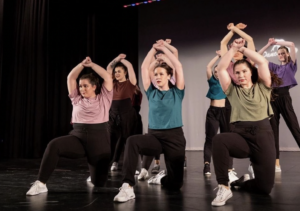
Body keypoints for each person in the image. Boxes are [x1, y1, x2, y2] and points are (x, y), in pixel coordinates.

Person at [26, 57, 113, 195]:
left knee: (99, 184)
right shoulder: (76, 98)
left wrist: (92, 65)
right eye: (80, 86)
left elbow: (107, 77)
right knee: (54, 145)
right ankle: (41, 183)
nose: (82, 89)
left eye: (85, 86)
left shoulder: (104, 98)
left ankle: (95, 175)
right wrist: (81, 65)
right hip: (78, 137)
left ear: (94, 87)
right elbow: (71, 78)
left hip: (99, 141)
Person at [113, 40, 186, 202]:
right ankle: (127, 186)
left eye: (161, 74)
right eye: (156, 74)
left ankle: (161, 178)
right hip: (155, 136)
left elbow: (178, 67)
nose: (157, 77)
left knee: (175, 184)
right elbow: (144, 68)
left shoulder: (177, 92)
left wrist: (165, 50)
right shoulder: (151, 91)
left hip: (174, 137)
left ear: (169, 76)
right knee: (132, 141)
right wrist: (153, 49)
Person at [211, 38, 279, 206]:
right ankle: (224, 187)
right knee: (219, 139)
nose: (240, 75)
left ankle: (240, 183)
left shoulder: (263, 86)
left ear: (251, 72)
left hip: (263, 136)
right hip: (241, 135)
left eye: (244, 72)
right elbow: (220, 68)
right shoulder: (232, 90)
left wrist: (243, 48)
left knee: (265, 188)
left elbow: (261, 61)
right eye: (237, 72)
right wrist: (233, 48)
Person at [258, 38, 299, 172]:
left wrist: (279, 44)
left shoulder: (291, 66)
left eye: (283, 53)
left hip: (284, 98)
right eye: (279, 54)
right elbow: (259, 57)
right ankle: (276, 164)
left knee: (294, 128)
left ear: (287, 55)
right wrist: (269, 44)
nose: (281, 55)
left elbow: (292, 44)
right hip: (272, 99)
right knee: (273, 131)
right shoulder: (275, 67)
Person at [203, 51, 234, 181]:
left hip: (226, 112)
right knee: (210, 139)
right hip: (213, 112)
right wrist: (218, 56)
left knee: (228, 138)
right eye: (215, 71)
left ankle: (229, 168)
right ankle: (207, 165)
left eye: (218, 71)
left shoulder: (228, 82)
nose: (216, 73)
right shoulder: (212, 81)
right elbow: (208, 67)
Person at [106, 54, 138, 172]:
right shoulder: (112, 83)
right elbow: (109, 68)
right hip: (113, 114)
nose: (117, 73)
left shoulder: (130, 83)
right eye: (116, 72)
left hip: (127, 114)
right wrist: (117, 59)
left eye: (119, 71)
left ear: (125, 73)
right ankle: (111, 163)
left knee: (127, 140)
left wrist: (123, 61)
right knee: (111, 139)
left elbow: (130, 67)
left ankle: (131, 166)